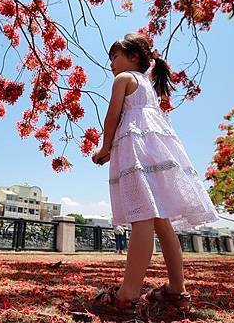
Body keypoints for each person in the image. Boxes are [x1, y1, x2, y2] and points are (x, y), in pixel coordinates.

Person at [89, 33, 218, 317]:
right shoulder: (148, 85)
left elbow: (112, 116)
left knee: (141, 217)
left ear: (133, 57)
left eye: (115, 56)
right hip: (159, 151)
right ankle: (176, 291)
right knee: (162, 221)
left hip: (136, 149)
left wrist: (105, 148)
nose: (111, 63)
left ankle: (127, 296)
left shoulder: (124, 79)